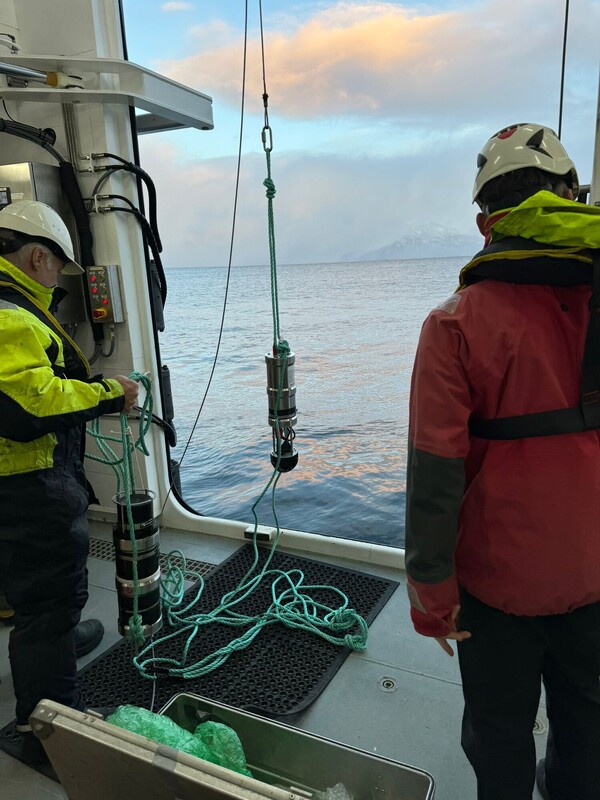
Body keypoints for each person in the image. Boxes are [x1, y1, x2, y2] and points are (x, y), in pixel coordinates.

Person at [404, 124, 600, 800]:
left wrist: (432, 597)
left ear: (484, 221)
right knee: (590, 732)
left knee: (499, 734)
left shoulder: (453, 324)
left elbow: (434, 476)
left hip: (496, 591)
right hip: (594, 575)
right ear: (572, 196)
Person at [0, 200, 139, 763]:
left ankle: (53, 645)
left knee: (38, 595)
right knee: (51, 596)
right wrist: (110, 393)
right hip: (25, 483)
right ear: (39, 257)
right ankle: (47, 734)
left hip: (16, 479)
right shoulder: (10, 315)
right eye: (58, 266)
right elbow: (27, 406)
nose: (58, 277)